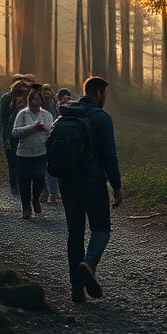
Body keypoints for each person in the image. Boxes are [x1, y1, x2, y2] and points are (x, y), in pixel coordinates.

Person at [58, 76, 124, 303]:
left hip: (66, 182)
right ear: (99, 93)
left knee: (75, 234)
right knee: (101, 229)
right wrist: (116, 186)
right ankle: (89, 262)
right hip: (93, 182)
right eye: (105, 94)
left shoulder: (66, 113)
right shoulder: (101, 118)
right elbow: (109, 155)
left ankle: (77, 291)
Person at [11, 89, 54, 219]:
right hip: (24, 152)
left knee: (39, 178)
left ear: (42, 101)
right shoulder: (22, 114)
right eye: (33, 98)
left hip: (41, 152)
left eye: (38, 98)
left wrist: (43, 128)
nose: (35, 100)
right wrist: (32, 128)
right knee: (24, 180)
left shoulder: (47, 115)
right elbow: (15, 132)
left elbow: (51, 131)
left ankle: (35, 198)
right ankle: (26, 208)